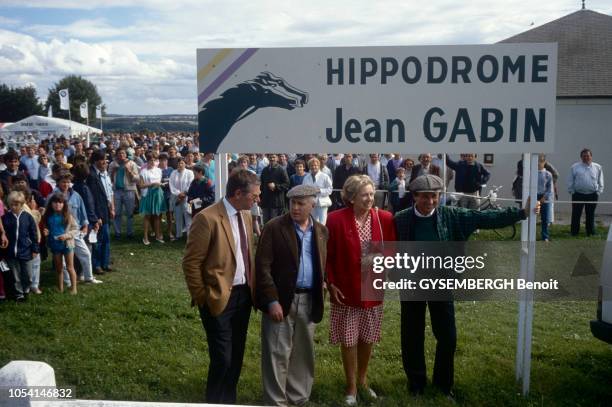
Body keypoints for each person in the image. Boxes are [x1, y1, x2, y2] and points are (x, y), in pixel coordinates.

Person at [394, 174, 538, 397]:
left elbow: (484, 218)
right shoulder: (401, 219)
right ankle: (416, 383)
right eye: (424, 197)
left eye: (434, 196)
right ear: (414, 196)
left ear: (440, 196)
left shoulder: (452, 215)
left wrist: (520, 213)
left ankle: (443, 385)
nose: (430, 201)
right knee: (412, 335)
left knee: (448, 336)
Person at [182, 169, 260, 404]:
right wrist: (202, 295)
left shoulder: (246, 215)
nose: (257, 200)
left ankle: (229, 399)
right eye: (254, 196)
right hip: (217, 298)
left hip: (244, 296)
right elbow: (191, 262)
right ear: (238, 193)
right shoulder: (207, 218)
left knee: (236, 355)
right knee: (222, 358)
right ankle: (215, 400)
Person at [255, 184, 329, 406]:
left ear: (312, 205)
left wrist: (323, 282)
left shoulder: (321, 230)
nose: (295, 208)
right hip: (281, 300)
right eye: (292, 203)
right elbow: (262, 266)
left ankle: (298, 398)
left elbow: (323, 261)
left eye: (301, 204)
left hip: (309, 299)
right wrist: (271, 300)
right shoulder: (274, 227)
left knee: (303, 353)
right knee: (276, 352)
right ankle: (276, 401)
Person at [326, 175, 396, 406]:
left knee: (367, 336)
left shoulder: (383, 218)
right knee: (349, 340)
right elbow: (328, 255)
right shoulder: (335, 219)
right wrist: (331, 282)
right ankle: (351, 386)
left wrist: (381, 259)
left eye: (371, 192)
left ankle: (363, 379)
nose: (370, 198)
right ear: (351, 197)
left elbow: (391, 253)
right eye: (364, 194)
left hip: (372, 288)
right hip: (345, 288)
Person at [3, 191, 40, 301]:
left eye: (16, 204)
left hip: (25, 250)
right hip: (11, 251)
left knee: (27, 274)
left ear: (22, 204)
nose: (14, 207)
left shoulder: (28, 217)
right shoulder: (5, 217)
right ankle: (19, 294)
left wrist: (35, 249)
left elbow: (34, 234)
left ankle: (26, 289)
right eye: (12, 205)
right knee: (15, 276)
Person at [42, 194, 80, 295]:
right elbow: (47, 229)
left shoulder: (68, 216)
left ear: (64, 204)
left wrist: (66, 235)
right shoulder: (48, 216)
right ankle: (60, 288)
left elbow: (76, 229)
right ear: (51, 204)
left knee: (70, 267)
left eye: (60, 202)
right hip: (55, 245)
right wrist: (46, 232)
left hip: (67, 245)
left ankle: (74, 288)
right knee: (58, 268)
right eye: (55, 202)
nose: (57, 204)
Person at [567, 148, 604, 236]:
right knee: (576, 214)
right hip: (578, 194)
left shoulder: (597, 167)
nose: (586, 158)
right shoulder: (575, 167)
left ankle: (590, 232)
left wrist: (599, 191)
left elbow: (600, 180)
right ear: (581, 157)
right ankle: (574, 232)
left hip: (592, 195)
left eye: (588, 156)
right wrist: (571, 191)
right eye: (584, 156)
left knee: (590, 214)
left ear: (591, 156)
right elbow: (570, 180)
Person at [87, 151, 114, 273]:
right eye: (102, 159)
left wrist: (111, 207)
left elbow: (109, 192)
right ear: (95, 161)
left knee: (106, 238)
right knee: (97, 239)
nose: (105, 162)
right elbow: (93, 199)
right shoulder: (92, 176)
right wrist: (97, 216)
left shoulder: (103, 173)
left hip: (105, 210)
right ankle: (96, 264)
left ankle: (105, 262)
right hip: (98, 213)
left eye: (106, 159)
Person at [109, 148, 140, 239]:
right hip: (116, 191)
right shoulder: (113, 164)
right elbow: (108, 178)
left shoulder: (132, 164)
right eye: (119, 153)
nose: (121, 155)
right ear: (117, 155)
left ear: (126, 154)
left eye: (123, 153)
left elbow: (137, 179)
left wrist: (129, 171)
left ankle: (129, 233)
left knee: (129, 213)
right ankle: (117, 233)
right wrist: (114, 171)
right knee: (117, 213)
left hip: (129, 190)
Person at [139, 152, 167, 245]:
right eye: (151, 160)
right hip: (148, 194)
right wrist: (152, 184)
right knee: (147, 216)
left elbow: (159, 182)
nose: (153, 162)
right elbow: (141, 185)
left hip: (158, 193)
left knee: (158, 216)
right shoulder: (143, 171)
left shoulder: (159, 170)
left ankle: (158, 235)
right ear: (147, 161)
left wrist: (159, 184)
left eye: (155, 160)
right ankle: (145, 237)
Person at [260, 154, 290, 224]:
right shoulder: (265, 170)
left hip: (276, 203)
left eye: (274, 157)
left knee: (275, 224)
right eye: (270, 157)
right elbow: (262, 185)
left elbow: (287, 184)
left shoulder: (281, 170)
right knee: (266, 223)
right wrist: (260, 198)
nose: (272, 159)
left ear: (277, 158)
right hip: (265, 202)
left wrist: (276, 186)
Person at [169, 158, 194, 240]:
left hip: (188, 198)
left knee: (188, 216)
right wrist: (178, 194)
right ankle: (178, 235)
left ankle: (189, 235)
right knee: (178, 216)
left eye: (182, 163)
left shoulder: (189, 173)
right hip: (176, 197)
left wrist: (184, 194)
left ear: (185, 164)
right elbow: (171, 184)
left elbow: (190, 184)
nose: (180, 165)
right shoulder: (173, 173)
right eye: (179, 163)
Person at [301, 157, 333, 224]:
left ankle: (322, 234)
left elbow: (330, 189)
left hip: (322, 203)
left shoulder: (325, 176)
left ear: (319, 166)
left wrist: (320, 190)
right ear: (309, 167)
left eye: (316, 165)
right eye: (312, 165)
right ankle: (315, 234)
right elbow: (303, 189)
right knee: (313, 222)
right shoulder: (306, 177)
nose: (314, 167)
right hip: (311, 203)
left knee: (322, 223)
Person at [537, 155, 553, 241]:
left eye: (541, 161)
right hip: (533, 196)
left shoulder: (548, 174)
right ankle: (529, 235)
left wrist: (544, 197)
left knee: (545, 218)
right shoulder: (531, 173)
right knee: (530, 217)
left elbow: (549, 188)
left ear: (544, 162)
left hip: (544, 197)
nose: (539, 163)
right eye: (538, 161)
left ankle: (545, 236)